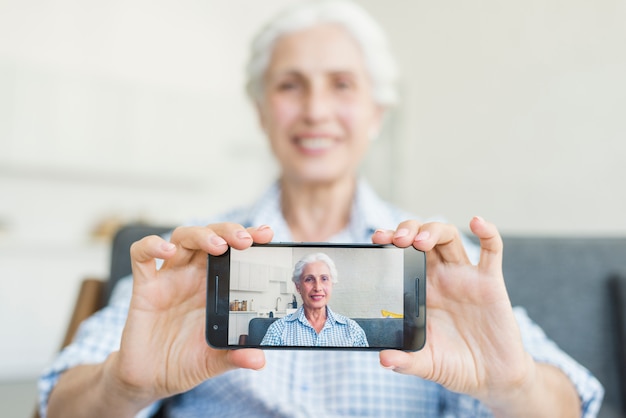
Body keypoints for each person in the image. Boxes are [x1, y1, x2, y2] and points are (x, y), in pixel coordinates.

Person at [39, 1, 604, 417]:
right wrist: (125, 387)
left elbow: (572, 404)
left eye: (341, 84)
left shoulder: (437, 266)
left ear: (377, 112)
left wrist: (513, 387)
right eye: (290, 85)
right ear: (261, 110)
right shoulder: (194, 264)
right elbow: (58, 403)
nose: (315, 109)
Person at [261, 252, 369, 347]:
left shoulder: (353, 330)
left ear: (332, 284)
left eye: (324, 279)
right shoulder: (278, 330)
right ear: (298, 286)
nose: (317, 287)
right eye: (309, 279)